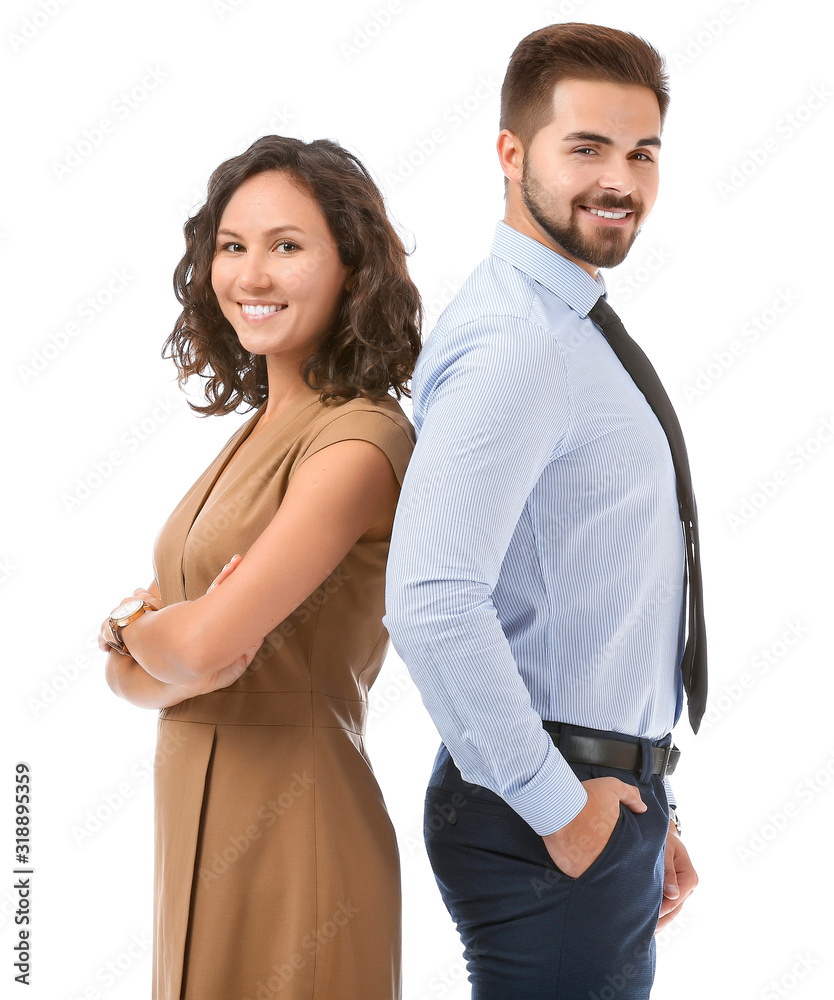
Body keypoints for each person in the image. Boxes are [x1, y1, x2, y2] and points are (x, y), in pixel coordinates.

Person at [385, 23, 707, 1000]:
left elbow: (593, 587)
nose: (620, 179)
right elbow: (434, 597)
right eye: (586, 148)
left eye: (641, 151)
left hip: (596, 793)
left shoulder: (562, 325)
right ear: (511, 154)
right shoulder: (519, 344)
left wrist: (652, 803)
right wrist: (561, 809)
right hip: (548, 814)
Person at [99, 135, 421, 1000]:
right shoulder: (249, 437)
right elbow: (143, 677)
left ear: (353, 269)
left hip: (299, 832)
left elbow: (198, 651)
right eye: (232, 247)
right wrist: (150, 652)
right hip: (192, 830)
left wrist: (134, 631)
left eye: (287, 246)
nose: (251, 275)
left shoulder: (361, 438)